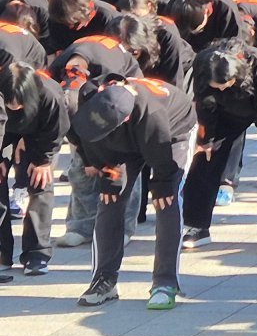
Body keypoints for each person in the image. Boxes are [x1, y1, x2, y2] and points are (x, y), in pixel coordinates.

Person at [69, 74, 196, 310]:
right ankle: (104, 280)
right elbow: (87, 136)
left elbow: (162, 158)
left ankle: (165, 283)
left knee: (166, 202)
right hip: (122, 142)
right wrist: (106, 172)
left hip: (171, 135)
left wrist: (162, 184)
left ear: (125, 119)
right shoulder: (89, 93)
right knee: (110, 200)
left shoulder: (152, 114)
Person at [183, 40, 257, 252]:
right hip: (224, 112)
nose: (222, 87)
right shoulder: (203, 62)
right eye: (217, 86)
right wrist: (206, 140)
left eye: (226, 83)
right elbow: (204, 104)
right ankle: (197, 226)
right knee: (204, 158)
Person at [0, 62, 68, 278]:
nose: (14, 106)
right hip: (5, 131)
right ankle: (2, 252)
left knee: (39, 182)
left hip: (40, 136)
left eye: (19, 102)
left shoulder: (49, 94)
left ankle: (37, 253)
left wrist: (43, 160)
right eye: (9, 102)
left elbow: (56, 129)